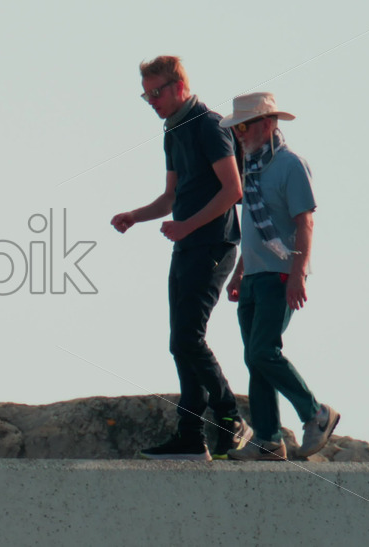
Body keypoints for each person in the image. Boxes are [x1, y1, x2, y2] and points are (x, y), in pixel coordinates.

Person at [111, 56, 252, 460]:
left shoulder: (209, 125)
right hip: (187, 245)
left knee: (189, 337)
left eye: (156, 92)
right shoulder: (172, 132)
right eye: (146, 94)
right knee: (180, 343)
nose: (151, 100)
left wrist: (186, 226)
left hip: (213, 245)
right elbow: (171, 197)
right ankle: (191, 436)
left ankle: (230, 417)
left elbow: (232, 190)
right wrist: (135, 216)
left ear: (179, 86)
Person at [219, 92, 340, 461]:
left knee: (262, 351)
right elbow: (255, 230)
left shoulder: (290, 165)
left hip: (280, 275)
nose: (239, 133)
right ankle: (269, 440)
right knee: (254, 359)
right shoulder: (251, 170)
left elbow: (305, 222)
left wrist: (298, 274)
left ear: (267, 124)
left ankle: (316, 414)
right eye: (236, 127)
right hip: (255, 276)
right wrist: (239, 272)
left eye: (244, 126)